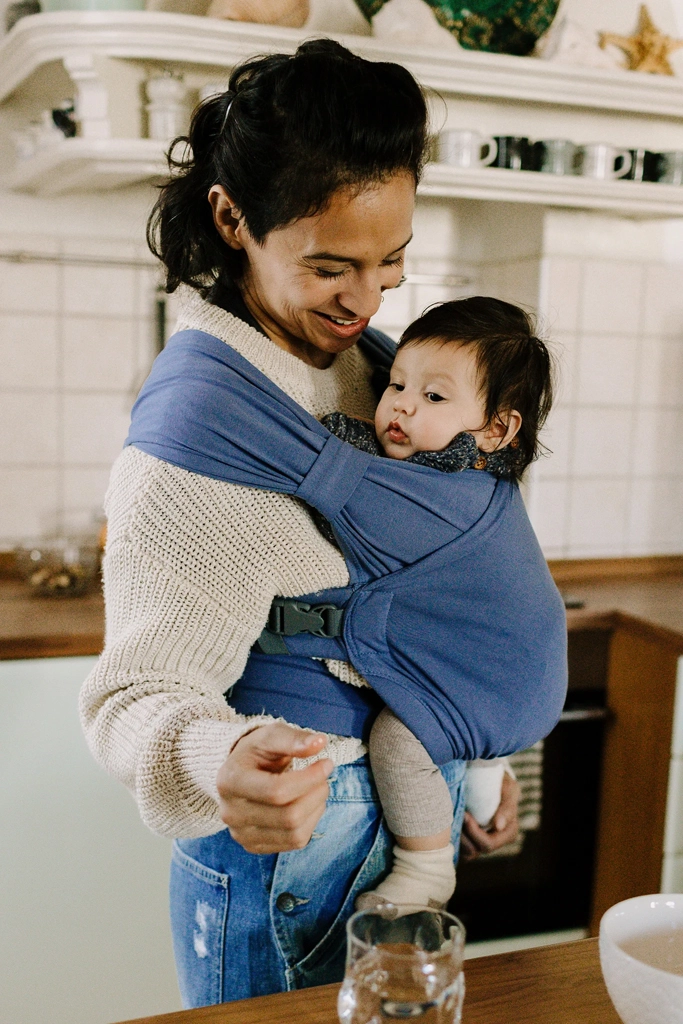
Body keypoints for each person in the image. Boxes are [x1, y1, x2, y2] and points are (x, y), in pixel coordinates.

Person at [79, 38, 521, 1007]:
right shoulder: (200, 429)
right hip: (291, 850)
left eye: (390, 260)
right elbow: (130, 696)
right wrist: (220, 758)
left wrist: (473, 746)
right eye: (330, 265)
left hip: (410, 809)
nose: (365, 297)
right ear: (232, 218)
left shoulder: (382, 367)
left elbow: (435, 577)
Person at [310, 296, 553, 911]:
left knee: (399, 739)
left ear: (496, 430)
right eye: (395, 384)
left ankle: (425, 868)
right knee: (465, 749)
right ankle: (483, 782)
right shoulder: (475, 477)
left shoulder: (440, 497)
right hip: (502, 664)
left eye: (435, 396)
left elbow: (331, 481)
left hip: (496, 676)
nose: (402, 405)